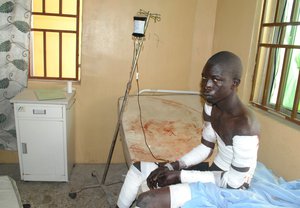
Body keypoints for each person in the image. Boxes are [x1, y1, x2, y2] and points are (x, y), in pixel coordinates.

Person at [116, 51, 260, 208]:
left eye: (216, 79)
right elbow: (206, 147)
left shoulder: (245, 126)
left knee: (146, 201)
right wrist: (172, 167)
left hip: (229, 189)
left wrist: (180, 176)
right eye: (205, 77)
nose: (207, 86)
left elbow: (235, 183)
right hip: (214, 172)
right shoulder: (211, 106)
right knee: (138, 168)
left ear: (234, 83)